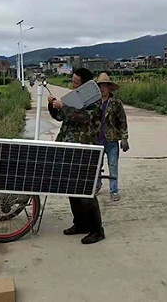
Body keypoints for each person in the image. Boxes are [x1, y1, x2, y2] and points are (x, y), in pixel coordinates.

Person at [47, 68, 105, 244]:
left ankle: (97, 230)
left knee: (86, 191)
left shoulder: (94, 103)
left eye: (76, 82)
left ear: (85, 85)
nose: (73, 84)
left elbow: (82, 117)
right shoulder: (74, 98)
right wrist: (53, 105)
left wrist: (63, 107)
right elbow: (60, 117)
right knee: (71, 189)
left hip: (85, 150)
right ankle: (80, 223)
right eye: (72, 81)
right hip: (69, 148)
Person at [95, 73, 129, 201]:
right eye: (100, 86)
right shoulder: (93, 102)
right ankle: (97, 185)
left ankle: (114, 190)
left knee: (113, 165)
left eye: (104, 86)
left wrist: (124, 137)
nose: (102, 88)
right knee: (96, 165)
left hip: (111, 139)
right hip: (96, 139)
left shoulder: (116, 103)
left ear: (109, 87)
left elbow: (122, 121)